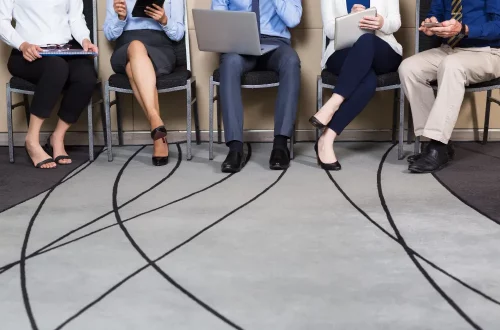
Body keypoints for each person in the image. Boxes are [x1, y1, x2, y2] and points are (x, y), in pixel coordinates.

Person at [399, 0, 500, 173]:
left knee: (452, 66)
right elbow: (436, 14)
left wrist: (464, 29)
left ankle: (437, 146)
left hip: (488, 51)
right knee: (409, 68)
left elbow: (498, 25)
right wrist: (432, 25)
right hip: (450, 50)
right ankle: (436, 142)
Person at [0, 0, 98, 169]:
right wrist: (23, 45)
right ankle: (32, 140)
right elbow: (2, 20)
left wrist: (84, 40)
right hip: (27, 53)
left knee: (86, 75)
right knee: (56, 67)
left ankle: (57, 137)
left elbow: (75, 18)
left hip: (64, 50)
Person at [211, 0, 302, 173]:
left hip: (276, 43)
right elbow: (217, 20)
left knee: (291, 61)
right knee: (229, 63)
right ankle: (235, 148)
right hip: (239, 44)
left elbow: (293, 20)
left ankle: (281, 145)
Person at [310, 0, 402, 170]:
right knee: (368, 81)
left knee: (367, 39)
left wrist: (382, 23)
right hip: (343, 52)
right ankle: (327, 138)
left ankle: (333, 103)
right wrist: (350, 20)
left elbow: (395, 23)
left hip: (382, 50)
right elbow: (330, 31)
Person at [104, 0, 185, 166]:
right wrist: (121, 18)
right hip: (125, 47)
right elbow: (109, 35)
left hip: (160, 47)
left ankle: (157, 129)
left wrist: (164, 20)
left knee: (132, 68)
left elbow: (178, 34)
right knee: (135, 46)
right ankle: (156, 121)